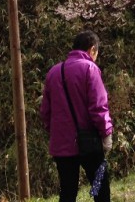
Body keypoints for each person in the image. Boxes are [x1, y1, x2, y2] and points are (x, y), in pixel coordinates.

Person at [40, 30, 114, 202]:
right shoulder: (90, 68)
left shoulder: (53, 72)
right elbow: (98, 107)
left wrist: (56, 131)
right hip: (89, 142)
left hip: (62, 144)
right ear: (92, 50)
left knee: (67, 191)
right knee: (99, 187)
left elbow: (45, 111)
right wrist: (106, 133)